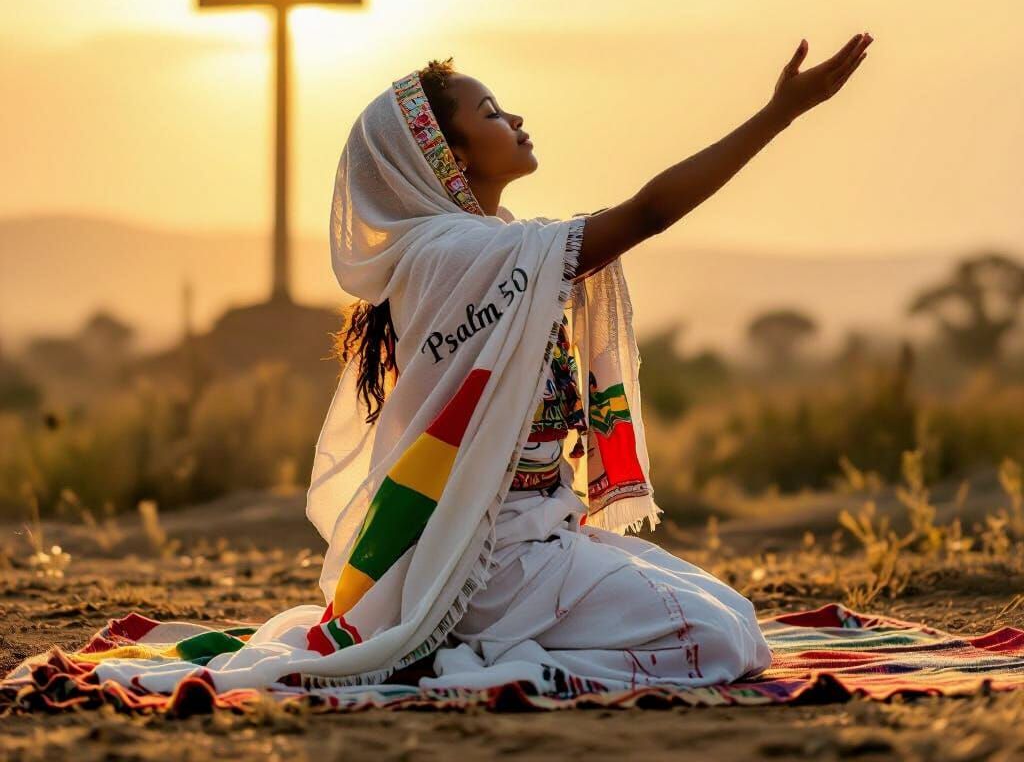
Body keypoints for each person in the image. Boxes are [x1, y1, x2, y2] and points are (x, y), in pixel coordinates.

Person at [68, 34, 871, 701]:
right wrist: (778, 114)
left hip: (538, 537)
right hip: (484, 560)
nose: (513, 118)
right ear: (443, 153)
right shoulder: (454, 257)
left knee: (732, 616)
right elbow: (648, 214)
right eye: (489, 112)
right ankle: (513, 665)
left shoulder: (494, 249)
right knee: (718, 639)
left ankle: (499, 644)